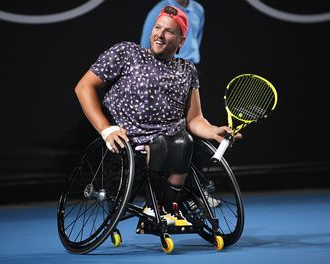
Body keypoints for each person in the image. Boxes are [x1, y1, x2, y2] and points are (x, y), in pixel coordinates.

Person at [74, 6, 241, 226]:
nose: (160, 34)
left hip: (173, 137)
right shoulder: (127, 53)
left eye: (169, 31)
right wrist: (106, 129)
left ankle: (167, 206)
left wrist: (213, 131)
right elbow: (84, 87)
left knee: (184, 141)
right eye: (157, 27)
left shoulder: (187, 70)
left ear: (181, 41)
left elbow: (194, 119)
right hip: (131, 135)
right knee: (163, 144)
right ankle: (155, 206)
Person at [140, 0, 204, 65]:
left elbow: (197, 38)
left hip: (193, 64)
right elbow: (145, 45)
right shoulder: (158, 10)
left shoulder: (198, 9)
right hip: (167, 65)